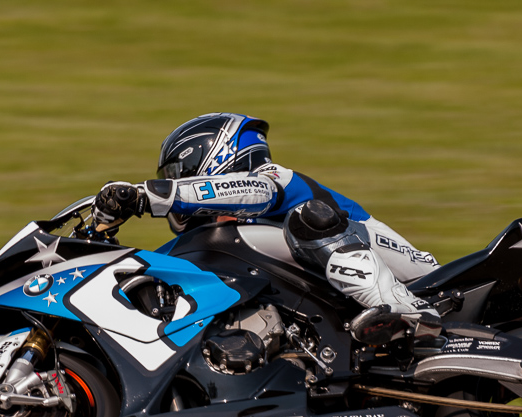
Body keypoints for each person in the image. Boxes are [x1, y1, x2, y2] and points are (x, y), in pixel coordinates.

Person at [90, 112, 442, 346]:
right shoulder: (224, 238)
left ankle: (406, 309)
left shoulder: (272, 179)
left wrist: (147, 195)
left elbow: (255, 192)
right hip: (344, 319)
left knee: (307, 220)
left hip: (423, 281)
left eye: (177, 174)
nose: (174, 181)